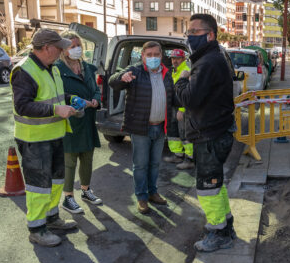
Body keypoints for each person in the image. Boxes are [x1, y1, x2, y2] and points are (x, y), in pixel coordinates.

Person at [11, 29, 79, 247]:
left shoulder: (52, 68)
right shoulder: (24, 70)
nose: (62, 51)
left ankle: (52, 218)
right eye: (59, 47)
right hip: (34, 139)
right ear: (47, 47)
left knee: (57, 180)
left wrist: (72, 99)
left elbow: (54, 96)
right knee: (38, 186)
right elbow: (23, 105)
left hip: (54, 135)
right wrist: (56, 111)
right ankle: (37, 228)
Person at [174, 14, 236, 252]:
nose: (189, 36)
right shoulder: (211, 58)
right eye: (188, 31)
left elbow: (189, 98)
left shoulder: (208, 62)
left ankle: (219, 232)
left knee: (207, 187)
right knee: (215, 184)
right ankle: (226, 226)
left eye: (194, 32)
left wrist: (181, 80)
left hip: (210, 135)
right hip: (213, 132)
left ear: (210, 35)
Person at [108, 41, 174, 214]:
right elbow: (112, 82)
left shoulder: (166, 74)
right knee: (140, 165)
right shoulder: (135, 71)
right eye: (149, 55)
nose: (153, 58)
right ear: (143, 56)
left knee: (154, 164)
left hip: (160, 127)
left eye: (156, 55)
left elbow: (173, 97)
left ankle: (153, 192)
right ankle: (142, 197)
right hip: (140, 128)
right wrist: (121, 78)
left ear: (161, 56)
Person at [55, 31, 103, 214]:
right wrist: (74, 100)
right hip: (70, 121)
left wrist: (96, 100)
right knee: (70, 161)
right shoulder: (58, 69)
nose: (76, 49)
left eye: (78, 45)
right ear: (63, 49)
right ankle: (68, 197)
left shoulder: (87, 67)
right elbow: (58, 95)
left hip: (88, 120)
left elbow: (95, 90)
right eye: (71, 46)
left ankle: (85, 190)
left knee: (87, 158)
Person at [164, 49, 194, 170]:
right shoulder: (174, 71)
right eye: (172, 58)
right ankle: (177, 155)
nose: (174, 61)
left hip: (182, 108)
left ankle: (190, 159)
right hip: (173, 107)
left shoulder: (185, 71)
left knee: (185, 134)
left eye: (177, 58)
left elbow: (187, 94)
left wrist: (182, 110)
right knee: (173, 132)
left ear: (183, 59)